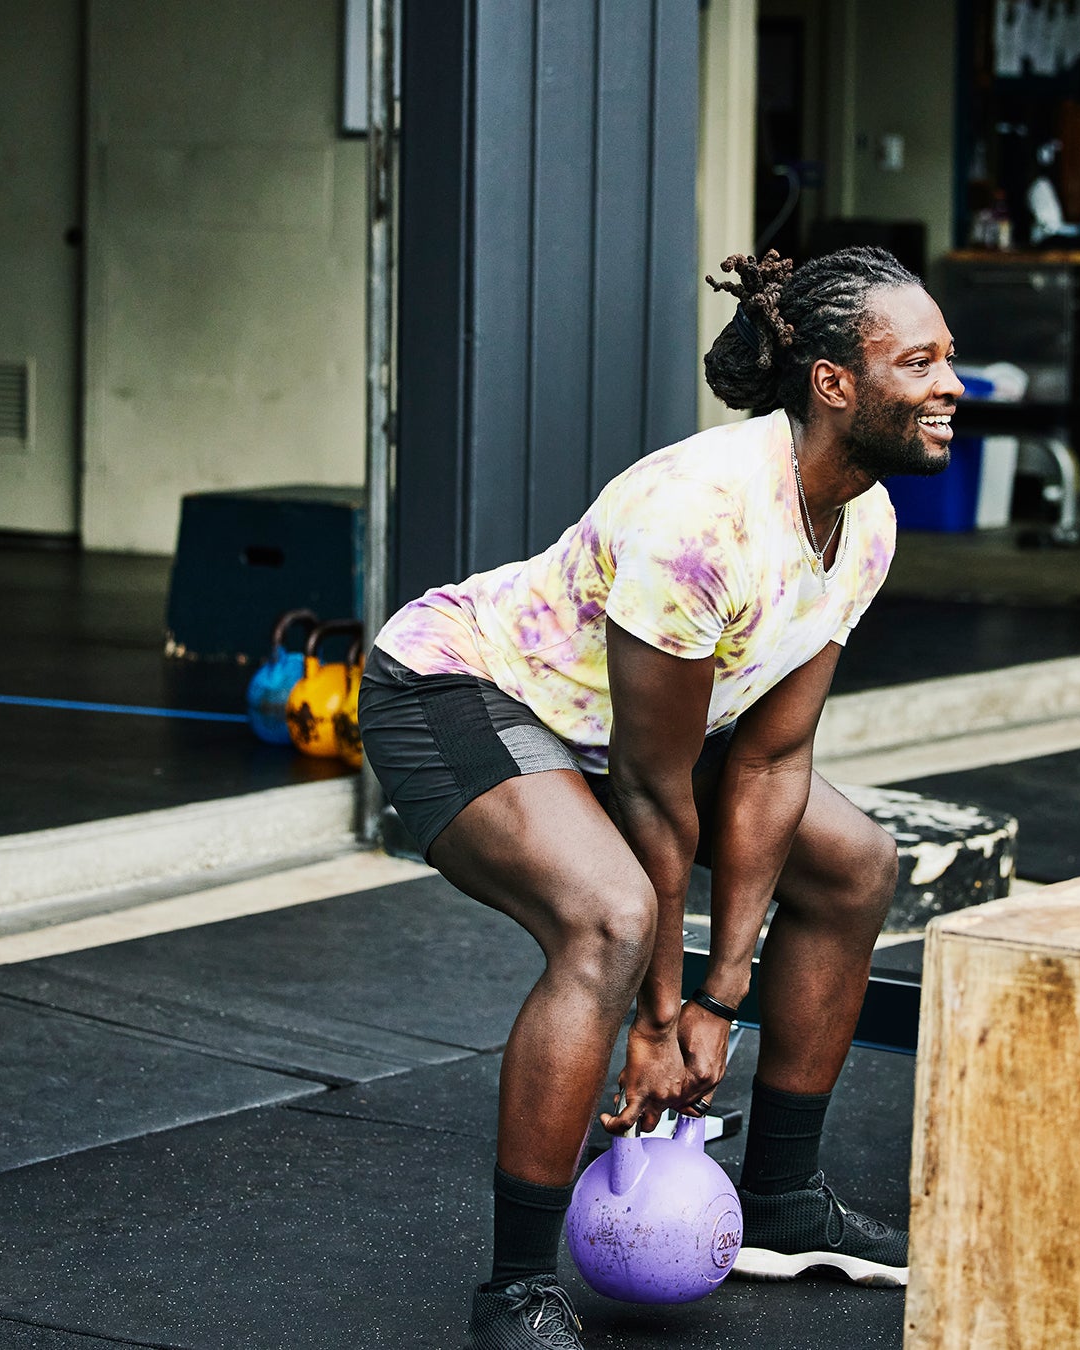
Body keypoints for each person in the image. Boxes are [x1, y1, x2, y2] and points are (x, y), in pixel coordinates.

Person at [363, 247, 950, 1348]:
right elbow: (651, 781)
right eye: (917, 361)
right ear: (833, 383)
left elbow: (774, 760)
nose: (951, 384)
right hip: (461, 686)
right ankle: (517, 1292)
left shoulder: (864, 523)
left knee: (855, 863)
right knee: (613, 919)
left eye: (948, 358)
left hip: (619, 733)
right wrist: (661, 1016)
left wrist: (720, 1004)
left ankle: (779, 1202)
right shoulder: (705, 514)